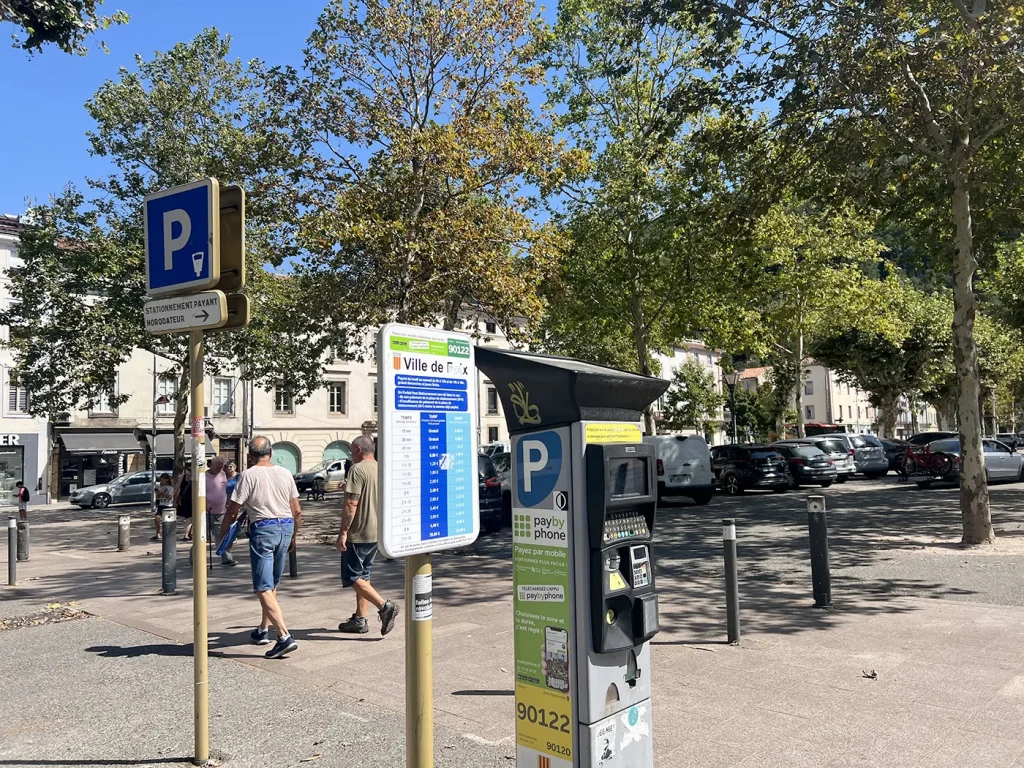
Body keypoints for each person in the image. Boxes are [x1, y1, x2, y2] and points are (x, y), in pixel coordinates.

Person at [218, 436, 302, 659]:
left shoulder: (248, 475)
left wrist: (223, 534)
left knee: (262, 586)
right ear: (271, 452)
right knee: (272, 584)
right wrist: (293, 536)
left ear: (250, 456)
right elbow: (297, 510)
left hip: (263, 529)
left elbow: (233, 510)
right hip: (285, 526)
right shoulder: (285, 473)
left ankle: (284, 636)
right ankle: (263, 630)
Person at [336, 435, 398, 635]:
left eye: (352, 450)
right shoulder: (381, 468)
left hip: (359, 532)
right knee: (364, 576)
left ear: (358, 450)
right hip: (377, 532)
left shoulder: (357, 469)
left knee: (353, 577)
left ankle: (384, 606)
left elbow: (351, 504)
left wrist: (343, 532)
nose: (350, 454)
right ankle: (360, 620)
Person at [206, 457, 236, 566]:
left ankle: (227, 559)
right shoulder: (204, 476)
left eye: (221, 467)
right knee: (201, 537)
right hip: (206, 512)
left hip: (221, 511)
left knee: (222, 536)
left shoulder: (223, 474)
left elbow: (224, 490)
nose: (219, 469)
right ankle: (194, 557)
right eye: (217, 467)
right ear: (211, 465)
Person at [152, 473, 174, 541]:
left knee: (167, 521)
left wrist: (162, 493)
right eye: (161, 480)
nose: (161, 481)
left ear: (167, 480)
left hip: (168, 505)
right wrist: (157, 493)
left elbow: (170, 497)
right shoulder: (160, 486)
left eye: (163, 480)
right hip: (161, 504)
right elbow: (159, 497)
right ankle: (157, 533)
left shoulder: (171, 488)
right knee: (157, 518)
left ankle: (168, 534)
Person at [175, 469, 194, 541]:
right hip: (190, 500)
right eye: (189, 470)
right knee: (190, 518)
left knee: (191, 518)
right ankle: (186, 534)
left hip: (187, 500)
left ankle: (188, 534)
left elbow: (177, 488)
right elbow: (177, 488)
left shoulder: (183, 477)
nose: (190, 472)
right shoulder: (196, 477)